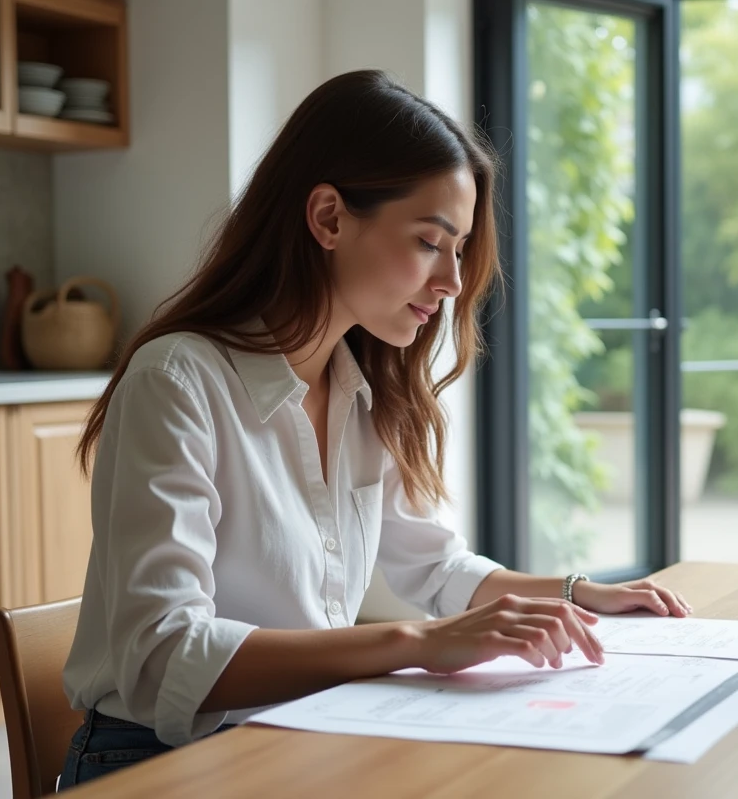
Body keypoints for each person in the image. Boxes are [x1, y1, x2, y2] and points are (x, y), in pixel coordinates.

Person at [57, 70, 691, 789]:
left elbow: (436, 568)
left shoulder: (362, 389)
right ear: (328, 218)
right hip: (158, 762)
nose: (453, 281)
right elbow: (162, 657)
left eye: (460, 251)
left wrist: (575, 593)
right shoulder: (177, 381)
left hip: (304, 735)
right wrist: (415, 642)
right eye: (431, 241)